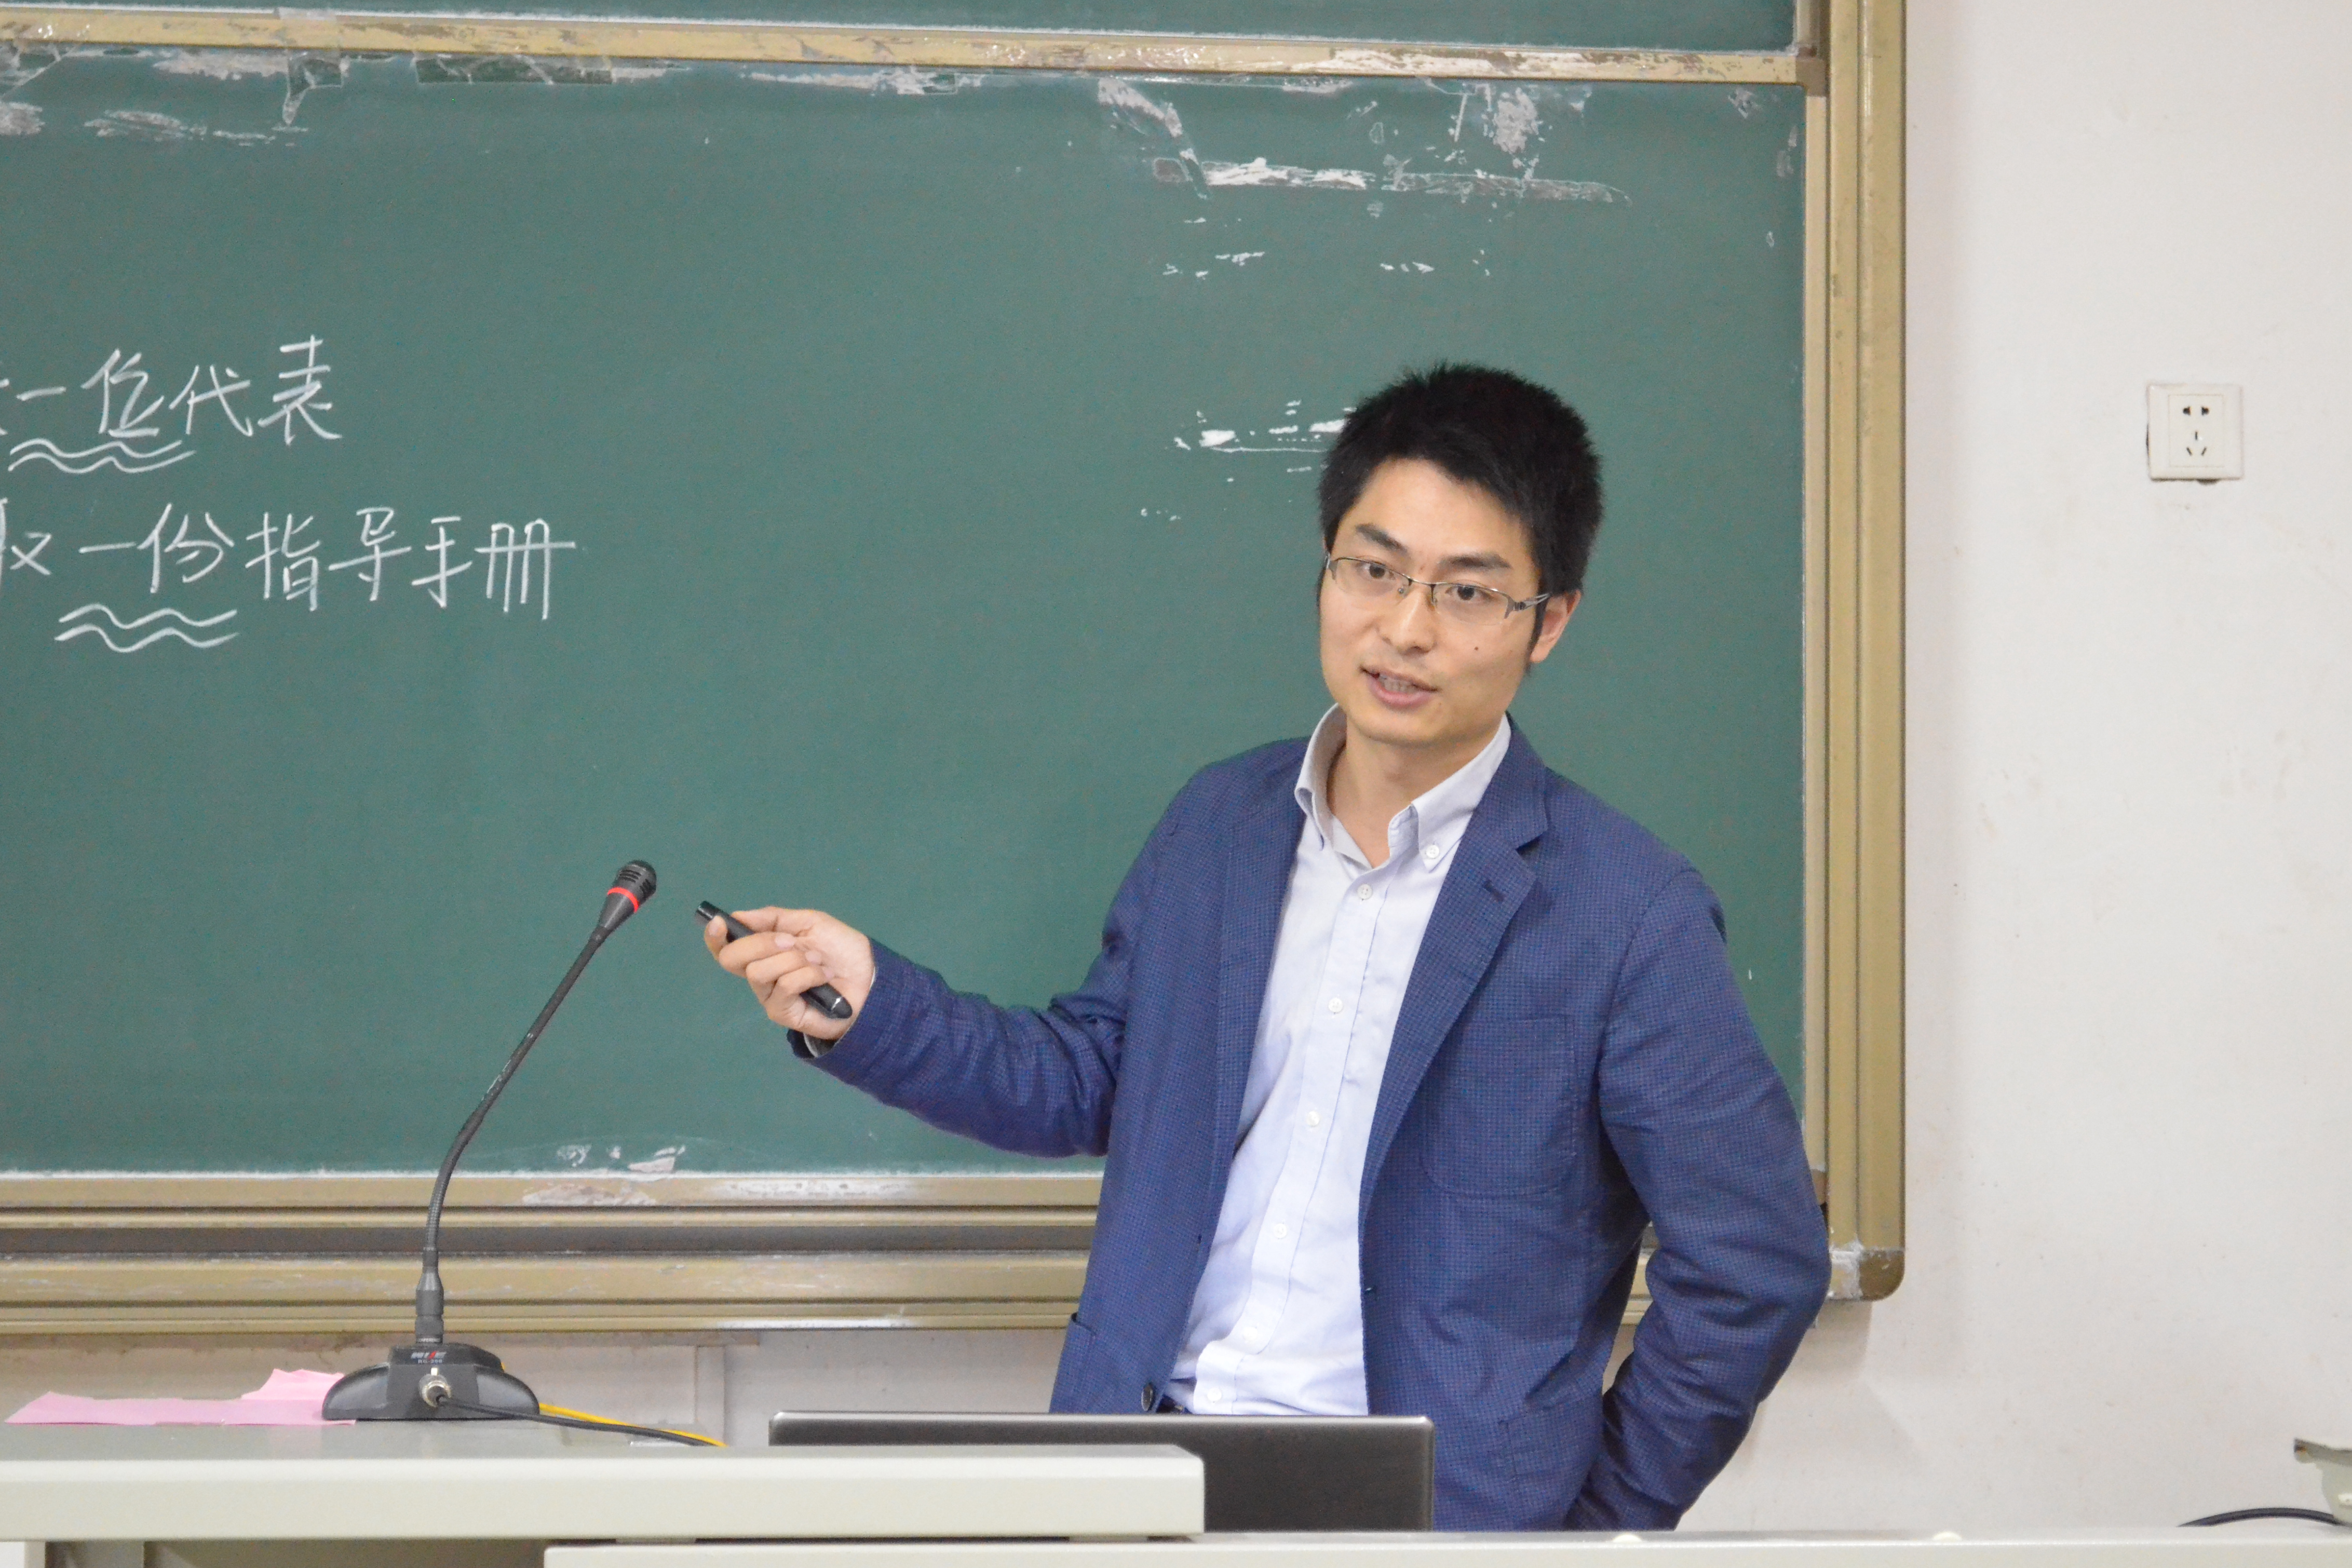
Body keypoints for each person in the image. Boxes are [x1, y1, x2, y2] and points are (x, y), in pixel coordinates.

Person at [706, 364, 1829, 1531]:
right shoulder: (1220, 825)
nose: (1404, 628)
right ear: (1326, 568)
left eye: (1467, 592)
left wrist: (1587, 1532)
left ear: (1549, 622)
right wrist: (876, 1008)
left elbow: (1754, 1261)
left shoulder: (1628, 913)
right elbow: (1101, 1076)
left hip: (1428, 1519)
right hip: (1143, 1476)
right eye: (1373, 569)